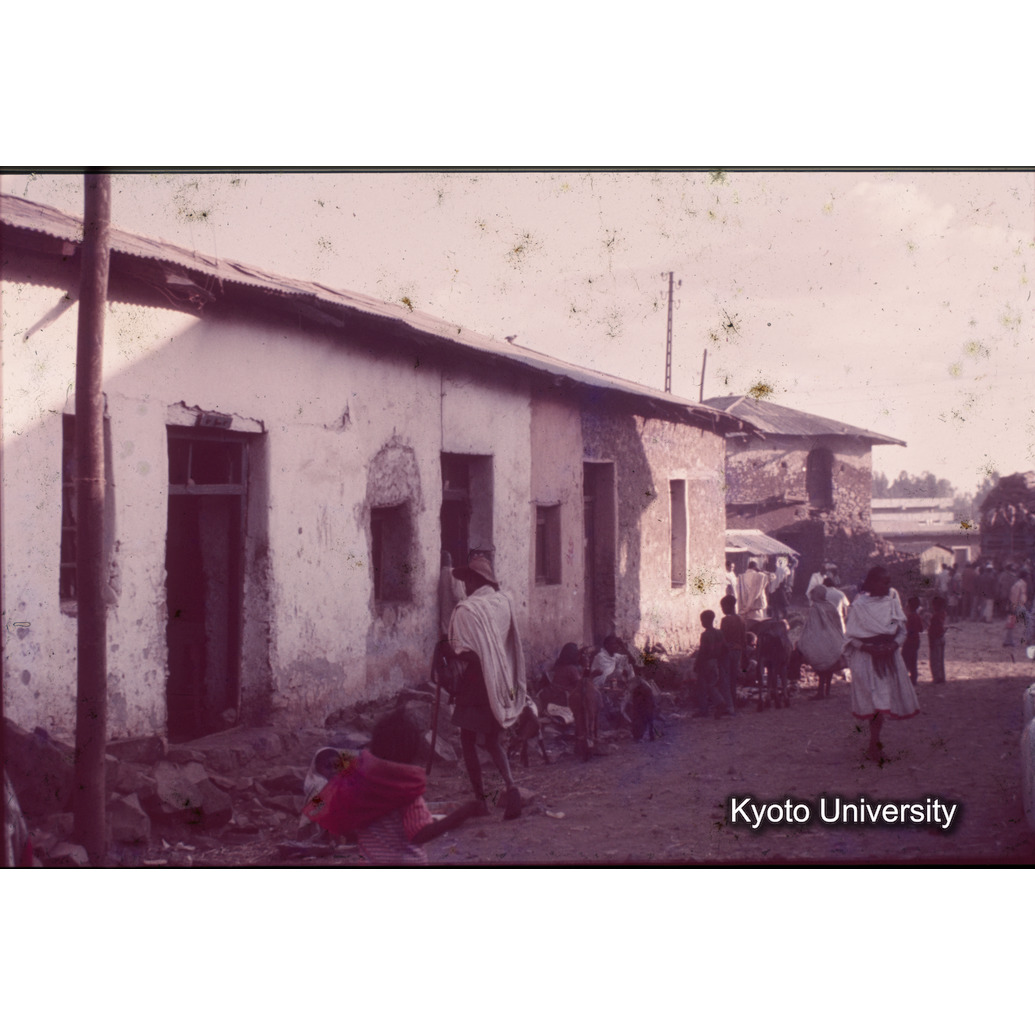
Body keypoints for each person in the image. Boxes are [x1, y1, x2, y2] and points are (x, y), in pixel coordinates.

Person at [302, 710, 482, 865]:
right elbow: (419, 834)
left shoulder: (361, 788)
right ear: (412, 751)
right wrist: (461, 814)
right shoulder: (407, 792)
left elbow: (343, 822)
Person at [445, 553, 527, 819]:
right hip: (500, 680)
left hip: (476, 684)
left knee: (468, 740)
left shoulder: (469, 610)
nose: (465, 587)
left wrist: (450, 651)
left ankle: (480, 800)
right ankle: (512, 787)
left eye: (467, 581)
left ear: (475, 580)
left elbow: (467, 651)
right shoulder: (503, 603)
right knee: (493, 741)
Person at [843, 566, 920, 763]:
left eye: (888, 582)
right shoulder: (859, 606)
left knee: (881, 701)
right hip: (867, 660)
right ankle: (874, 743)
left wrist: (892, 645)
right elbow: (850, 637)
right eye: (883, 582)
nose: (887, 586)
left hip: (888, 658)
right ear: (871, 583)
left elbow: (899, 630)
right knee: (873, 702)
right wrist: (868, 648)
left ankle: (874, 743)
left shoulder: (892, 604)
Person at [797, 585, 845, 698]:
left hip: (821, 640)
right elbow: (838, 624)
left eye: (813, 593)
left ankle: (820, 692)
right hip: (834, 640)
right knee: (829, 666)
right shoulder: (831, 606)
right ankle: (827, 690)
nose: (811, 596)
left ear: (817, 594)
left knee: (820, 665)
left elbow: (813, 627)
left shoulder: (815, 608)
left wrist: (805, 640)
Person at [694, 610, 734, 717]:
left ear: (706, 621)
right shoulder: (719, 633)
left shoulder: (705, 635)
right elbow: (725, 647)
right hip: (716, 661)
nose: (702, 623)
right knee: (712, 684)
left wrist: (697, 664)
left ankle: (707, 708)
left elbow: (703, 651)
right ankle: (719, 703)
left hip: (706, 662)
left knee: (703, 687)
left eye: (702, 620)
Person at [719, 594, 747, 708]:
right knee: (733, 678)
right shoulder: (741, 619)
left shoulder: (725, 620)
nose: (722, 609)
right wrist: (744, 654)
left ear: (729, 606)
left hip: (728, 651)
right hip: (738, 651)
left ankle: (728, 704)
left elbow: (722, 637)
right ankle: (733, 701)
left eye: (723, 607)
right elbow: (744, 639)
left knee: (726, 678)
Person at [737, 560, 769, 624]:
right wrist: (760, 571)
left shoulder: (741, 577)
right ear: (755, 567)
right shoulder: (760, 576)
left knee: (748, 626)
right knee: (758, 626)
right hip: (756, 608)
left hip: (745, 609)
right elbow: (772, 576)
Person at [902, 596, 924, 686]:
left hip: (909, 641)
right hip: (916, 640)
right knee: (913, 660)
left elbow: (906, 628)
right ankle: (913, 678)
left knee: (905, 659)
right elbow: (921, 629)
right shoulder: (917, 616)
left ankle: (904, 678)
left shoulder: (910, 616)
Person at [1004, 569, 1028, 647]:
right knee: (1013, 624)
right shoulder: (1019, 585)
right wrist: (1013, 608)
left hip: (1019, 606)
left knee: (1013, 624)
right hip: (1017, 606)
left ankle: (1009, 640)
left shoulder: (1021, 584)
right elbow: (1014, 597)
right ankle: (1009, 641)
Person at [928, 596, 948, 683]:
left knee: (935, 660)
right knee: (940, 659)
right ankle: (941, 677)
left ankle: (936, 678)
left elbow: (933, 630)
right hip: (941, 637)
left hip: (935, 639)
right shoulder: (943, 613)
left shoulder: (935, 616)